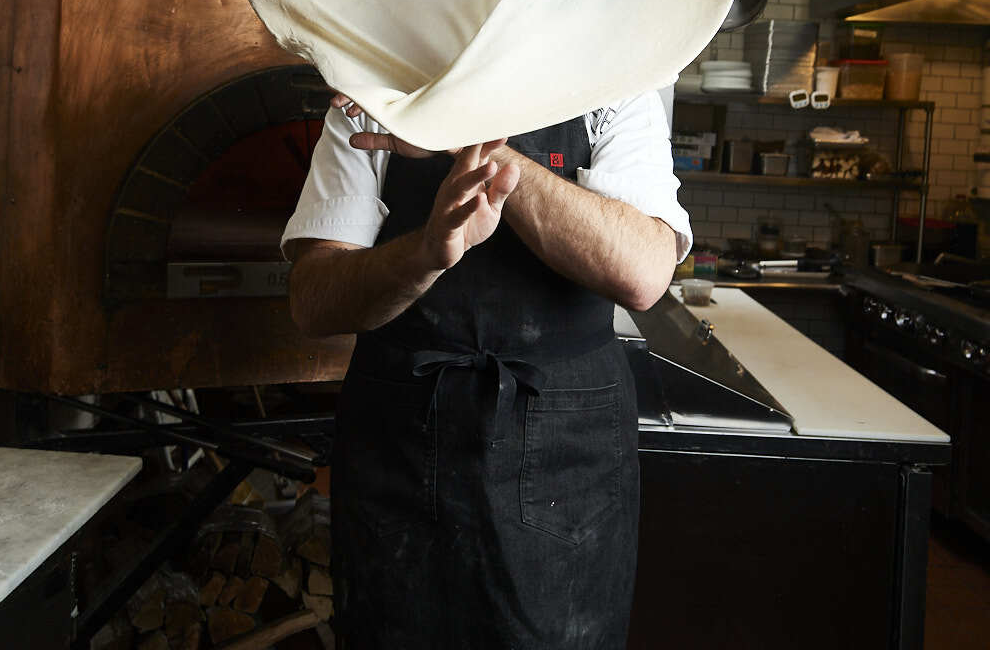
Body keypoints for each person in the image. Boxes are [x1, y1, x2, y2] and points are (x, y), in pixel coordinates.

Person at [281, 90, 691, 649]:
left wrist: (463, 140)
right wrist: (426, 253)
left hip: (567, 453)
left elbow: (642, 270)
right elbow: (313, 300)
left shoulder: (612, 79)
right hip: (399, 444)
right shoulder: (376, 88)